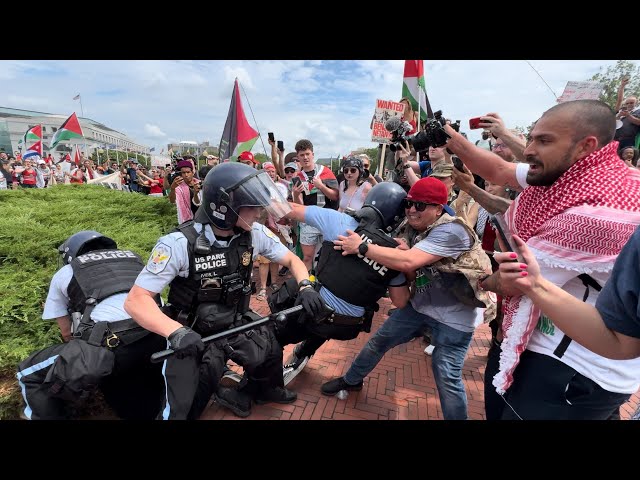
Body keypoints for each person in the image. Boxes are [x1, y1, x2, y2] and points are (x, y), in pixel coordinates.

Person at [444, 99, 640, 419]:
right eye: (531, 138)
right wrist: (450, 137)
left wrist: (476, 279)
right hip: (553, 348)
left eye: (544, 140)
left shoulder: (597, 214)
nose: (530, 149)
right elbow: (498, 169)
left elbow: (518, 283)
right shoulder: (579, 175)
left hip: (573, 366)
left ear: (585, 146)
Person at [124, 162, 326, 419]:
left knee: (270, 347)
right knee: (185, 407)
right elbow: (136, 301)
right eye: (252, 206)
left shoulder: (253, 233)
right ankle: (211, 390)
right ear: (223, 208)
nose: (259, 213)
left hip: (235, 320)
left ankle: (264, 390)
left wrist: (306, 286)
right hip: (194, 334)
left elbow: (292, 260)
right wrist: (176, 333)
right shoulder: (177, 244)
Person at [323, 177, 495, 420]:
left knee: (446, 374)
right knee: (378, 342)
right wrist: (403, 253)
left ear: (438, 208)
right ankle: (351, 381)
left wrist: (362, 247)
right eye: (409, 203)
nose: (412, 210)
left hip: (455, 317)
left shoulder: (453, 230)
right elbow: (411, 269)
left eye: (421, 205)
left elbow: (409, 262)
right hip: (422, 306)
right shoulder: (415, 228)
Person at [16, 231, 166, 420]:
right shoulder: (135, 262)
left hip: (111, 346)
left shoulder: (66, 272)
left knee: (28, 372)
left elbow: (66, 333)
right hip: (157, 338)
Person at [274, 182, 411, 385]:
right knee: (330, 310)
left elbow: (288, 209)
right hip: (347, 328)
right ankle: (305, 350)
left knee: (298, 290)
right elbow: (400, 302)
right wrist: (406, 266)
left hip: (311, 316)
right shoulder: (394, 253)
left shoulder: (339, 221)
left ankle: (265, 367)